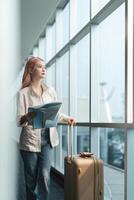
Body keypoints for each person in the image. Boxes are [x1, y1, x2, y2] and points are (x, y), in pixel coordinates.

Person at [16, 56, 76, 200]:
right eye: (40, 67)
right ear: (31, 70)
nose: (44, 69)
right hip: (30, 142)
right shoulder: (23, 93)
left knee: (44, 176)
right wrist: (29, 116)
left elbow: (56, 112)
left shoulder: (50, 91)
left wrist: (67, 118)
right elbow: (19, 120)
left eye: (45, 67)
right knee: (31, 178)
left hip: (47, 140)